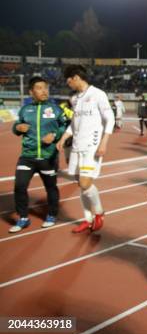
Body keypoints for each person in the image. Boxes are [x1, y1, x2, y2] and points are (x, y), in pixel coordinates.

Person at [57, 65, 115, 233]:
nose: (68, 84)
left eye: (68, 80)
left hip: (92, 146)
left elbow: (109, 118)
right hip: (77, 146)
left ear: (75, 77)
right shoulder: (75, 99)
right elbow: (75, 124)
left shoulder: (98, 94)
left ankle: (99, 212)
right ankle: (88, 219)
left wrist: (104, 141)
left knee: (85, 182)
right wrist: (64, 137)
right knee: (80, 184)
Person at [9, 77, 68, 233]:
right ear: (31, 92)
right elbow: (16, 127)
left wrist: (55, 135)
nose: (44, 91)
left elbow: (66, 126)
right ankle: (23, 218)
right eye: (40, 88)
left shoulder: (56, 109)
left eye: (45, 88)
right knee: (19, 186)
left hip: (48, 157)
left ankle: (52, 215)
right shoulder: (25, 110)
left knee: (50, 188)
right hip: (27, 156)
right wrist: (18, 127)